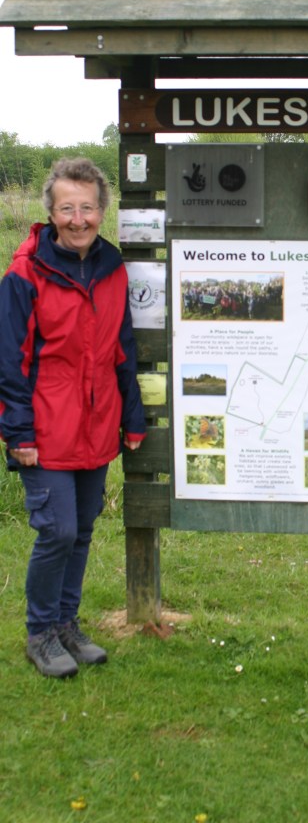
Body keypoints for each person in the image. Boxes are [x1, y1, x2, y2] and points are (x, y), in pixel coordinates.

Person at [0, 157, 146, 678]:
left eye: (87, 207)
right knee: (57, 531)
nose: (78, 219)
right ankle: (40, 633)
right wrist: (16, 432)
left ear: (102, 210)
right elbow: (10, 361)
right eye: (67, 208)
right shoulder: (24, 274)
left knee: (83, 528)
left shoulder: (112, 268)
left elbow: (121, 349)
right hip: (45, 428)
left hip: (97, 423)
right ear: (52, 212)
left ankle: (66, 625)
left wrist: (131, 418)